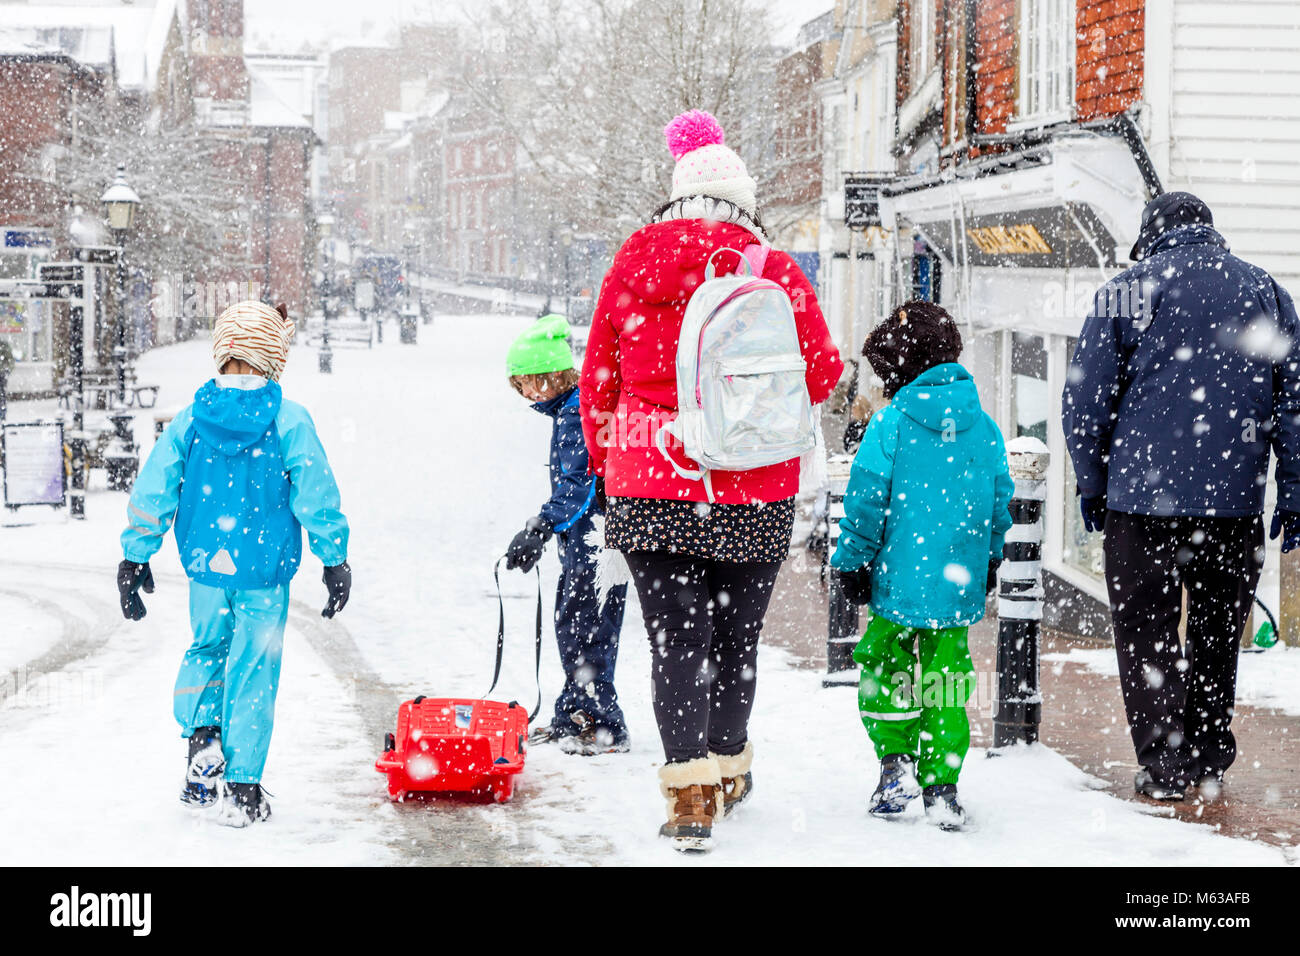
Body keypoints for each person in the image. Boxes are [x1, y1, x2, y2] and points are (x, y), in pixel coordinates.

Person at [580, 109, 844, 851]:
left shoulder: (631, 266)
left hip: (650, 479)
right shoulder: (772, 269)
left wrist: (611, 466)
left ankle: (688, 790)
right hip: (753, 484)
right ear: (741, 199)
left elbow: (597, 381)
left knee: (675, 642)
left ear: (675, 195)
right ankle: (729, 766)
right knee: (735, 640)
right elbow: (821, 374)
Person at [1063, 191, 1300, 801]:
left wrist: (1093, 482)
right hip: (1233, 503)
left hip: (1141, 505)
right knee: (1218, 632)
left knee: (1147, 632)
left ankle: (1164, 766)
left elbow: (1085, 400)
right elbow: (1294, 405)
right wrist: (1294, 493)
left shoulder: (1125, 291)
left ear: (1152, 234)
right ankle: (1208, 756)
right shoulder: (1264, 291)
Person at [118, 300, 351, 827]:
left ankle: (202, 742)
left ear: (222, 351)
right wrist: (333, 557)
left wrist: (136, 554)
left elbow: (156, 487)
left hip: (206, 569)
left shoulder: (189, 420)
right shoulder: (288, 420)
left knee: (207, 649)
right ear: (274, 356)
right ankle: (242, 788)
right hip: (263, 573)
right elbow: (314, 492)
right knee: (253, 668)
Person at [830, 301, 1012, 832]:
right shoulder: (985, 428)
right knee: (949, 680)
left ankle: (896, 766)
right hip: (955, 586)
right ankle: (943, 787)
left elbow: (865, 502)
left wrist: (853, 562)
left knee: (886, 670)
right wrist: (992, 557)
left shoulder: (890, 425)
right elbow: (999, 501)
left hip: (895, 582)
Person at [504, 313, 629, 755]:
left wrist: (540, 525)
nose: (528, 394)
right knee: (576, 620)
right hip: (586, 536)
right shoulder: (570, 408)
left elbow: (581, 484)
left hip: (595, 536)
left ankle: (602, 722)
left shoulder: (577, 412)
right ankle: (575, 710)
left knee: (587, 625)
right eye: (520, 386)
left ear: (554, 374)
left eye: (532, 382)